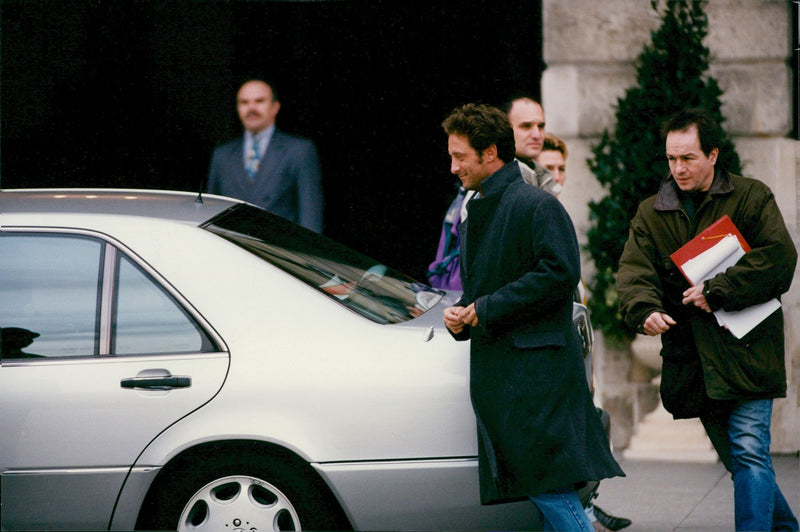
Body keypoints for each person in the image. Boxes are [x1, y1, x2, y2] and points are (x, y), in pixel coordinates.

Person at [441, 103, 624, 531]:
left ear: (489, 153)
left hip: (534, 379)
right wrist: (462, 315)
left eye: (460, 156)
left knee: (548, 487)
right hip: (516, 377)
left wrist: (482, 310)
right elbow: (485, 284)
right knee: (546, 488)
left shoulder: (535, 204)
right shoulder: (481, 207)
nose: (453, 167)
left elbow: (559, 274)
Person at [616, 108, 798, 532]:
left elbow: (780, 259)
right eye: (671, 159)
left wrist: (718, 290)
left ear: (713, 155)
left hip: (749, 351)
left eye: (688, 158)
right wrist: (645, 310)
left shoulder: (753, 197)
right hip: (696, 361)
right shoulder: (650, 213)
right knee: (740, 461)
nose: (677, 169)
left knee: (751, 452)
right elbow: (633, 273)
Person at [534, 132, 631, 532]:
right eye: (548, 169)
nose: (556, 176)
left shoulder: (556, 212)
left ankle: (587, 508)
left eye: (561, 168)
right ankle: (585, 513)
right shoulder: (535, 212)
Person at [207, 79, 324, 233]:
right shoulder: (222, 155)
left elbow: (310, 217)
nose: (251, 108)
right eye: (244, 102)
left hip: (277, 252)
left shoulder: (299, 150)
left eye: (259, 101)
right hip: (232, 252)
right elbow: (209, 215)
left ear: (275, 107)